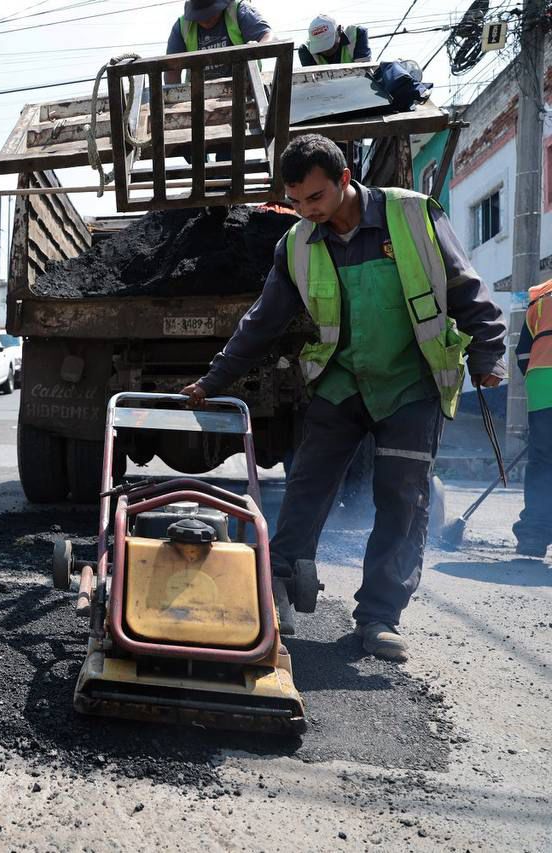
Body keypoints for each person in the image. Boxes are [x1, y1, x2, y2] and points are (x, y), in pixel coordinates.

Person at [179, 134, 506, 662]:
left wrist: (488, 355)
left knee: (402, 499)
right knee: (307, 486)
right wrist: (213, 380)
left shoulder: (412, 215)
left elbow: (465, 287)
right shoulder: (296, 244)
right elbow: (262, 322)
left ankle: (379, 617)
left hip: (411, 383)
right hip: (343, 380)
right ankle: (277, 588)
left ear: (345, 179)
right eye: (296, 202)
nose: (306, 210)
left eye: (315, 197)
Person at [513, 280, 551, 558]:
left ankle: (533, 537)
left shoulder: (542, 296)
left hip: (542, 383)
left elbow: (523, 354)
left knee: (543, 462)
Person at [165, 0, 273, 83]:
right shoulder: (182, 27)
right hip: (199, 96)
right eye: (201, 15)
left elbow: (268, 36)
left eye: (210, 13)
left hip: (244, 88)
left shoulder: (239, 11)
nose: (205, 19)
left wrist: (257, 48)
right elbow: (171, 71)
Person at [298, 14, 371, 66]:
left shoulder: (357, 34)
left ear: (339, 31)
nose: (326, 51)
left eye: (329, 45)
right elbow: (312, 82)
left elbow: (363, 72)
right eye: (321, 48)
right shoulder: (306, 50)